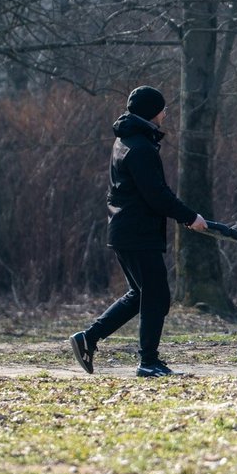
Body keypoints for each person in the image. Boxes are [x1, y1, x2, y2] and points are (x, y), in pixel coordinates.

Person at [69, 86, 208, 378]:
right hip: (137, 232)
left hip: (126, 230)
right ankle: (148, 361)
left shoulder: (128, 141)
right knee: (156, 296)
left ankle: (88, 338)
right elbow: (156, 194)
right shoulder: (140, 147)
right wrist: (189, 217)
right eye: (162, 109)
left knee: (142, 294)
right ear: (151, 112)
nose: (165, 113)